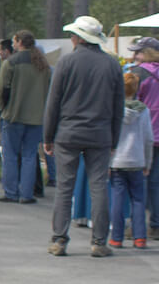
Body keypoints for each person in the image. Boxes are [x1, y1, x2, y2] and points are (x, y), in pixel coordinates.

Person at [43, 15, 125, 258]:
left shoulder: (66, 63)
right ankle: (99, 242)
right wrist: (114, 140)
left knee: (64, 188)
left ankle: (59, 240)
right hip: (100, 134)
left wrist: (48, 136)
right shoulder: (112, 65)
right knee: (99, 186)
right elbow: (118, 107)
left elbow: (53, 103)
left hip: (68, 132)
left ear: (78, 38)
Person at [0, 30, 51, 204]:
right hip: (36, 117)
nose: (12, 44)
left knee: (10, 156)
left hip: (13, 116)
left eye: (14, 41)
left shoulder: (11, 62)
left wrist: (4, 109)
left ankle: (11, 192)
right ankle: (27, 194)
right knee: (29, 155)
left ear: (19, 42)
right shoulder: (43, 65)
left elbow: (1, 90)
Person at [109, 71, 152, 248]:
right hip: (136, 159)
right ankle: (140, 236)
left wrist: (107, 162)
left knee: (117, 198)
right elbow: (148, 138)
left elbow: (109, 135)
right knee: (138, 199)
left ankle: (116, 237)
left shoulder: (114, 109)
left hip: (118, 160)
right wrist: (147, 162)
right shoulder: (143, 111)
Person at [126, 37, 159, 241]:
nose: (134, 56)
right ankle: (156, 224)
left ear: (146, 53)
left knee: (137, 182)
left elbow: (130, 103)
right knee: (156, 181)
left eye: (138, 53)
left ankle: (135, 226)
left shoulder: (138, 74)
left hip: (142, 133)